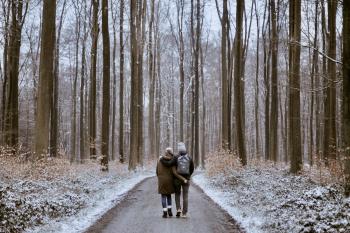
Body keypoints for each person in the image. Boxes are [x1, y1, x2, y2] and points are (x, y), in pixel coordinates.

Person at [160, 142, 194, 218]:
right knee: (185, 196)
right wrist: (188, 176)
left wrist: (161, 159)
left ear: (179, 149)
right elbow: (192, 168)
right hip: (186, 179)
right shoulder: (189, 157)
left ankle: (178, 209)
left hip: (177, 180)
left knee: (177, 194)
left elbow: (168, 164)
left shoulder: (176, 157)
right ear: (185, 148)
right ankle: (184, 213)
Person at [156, 147, 177, 218]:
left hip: (162, 180)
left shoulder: (159, 160)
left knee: (163, 196)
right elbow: (175, 171)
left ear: (165, 152)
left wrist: (160, 177)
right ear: (171, 152)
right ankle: (170, 211)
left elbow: (157, 171)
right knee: (169, 196)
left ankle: (165, 212)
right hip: (170, 180)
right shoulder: (173, 160)